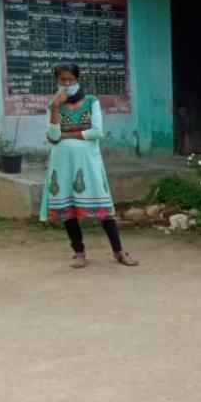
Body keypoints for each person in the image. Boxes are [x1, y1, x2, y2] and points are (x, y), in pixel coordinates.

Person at [41, 63, 136, 268]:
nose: (67, 84)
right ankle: (79, 251)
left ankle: (118, 251)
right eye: (62, 80)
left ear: (78, 79)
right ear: (56, 81)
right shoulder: (52, 106)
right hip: (63, 165)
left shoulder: (91, 101)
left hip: (88, 163)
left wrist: (67, 134)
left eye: (71, 80)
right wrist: (56, 107)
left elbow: (97, 131)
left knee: (102, 209)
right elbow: (52, 136)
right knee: (68, 210)